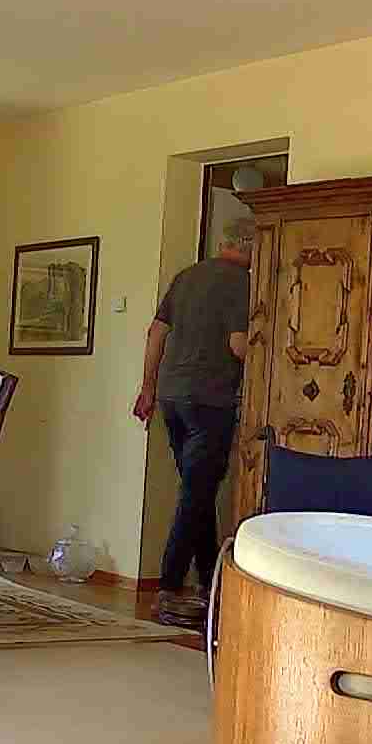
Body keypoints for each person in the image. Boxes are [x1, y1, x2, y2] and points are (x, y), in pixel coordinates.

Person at [132, 216, 253, 617]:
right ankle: (169, 587)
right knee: (196, 493)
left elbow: (156, 332)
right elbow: (238, 345)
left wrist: (148, 387)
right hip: (210, 399)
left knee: (197, 490)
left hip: (172, 396)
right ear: (252, 246)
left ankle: (207, 582)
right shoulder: (242, 283)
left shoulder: (186, 276)